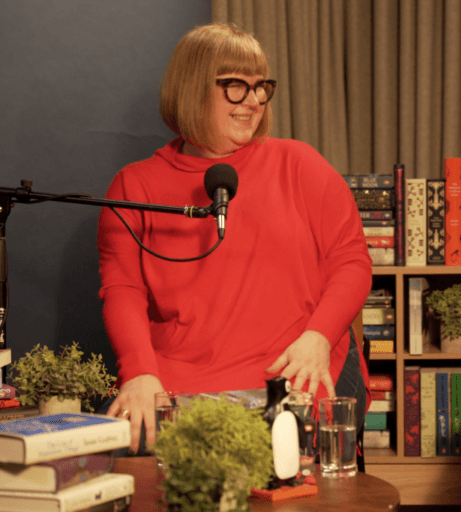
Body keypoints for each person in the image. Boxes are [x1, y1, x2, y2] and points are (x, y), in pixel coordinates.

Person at [97, 23, 372, 455]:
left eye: (262, 87)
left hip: (289, 371)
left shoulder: (300, 164)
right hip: (175, 380)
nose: (255, 101)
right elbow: (123, 290)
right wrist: (138, 374)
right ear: (193, 88)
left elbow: (352, 261)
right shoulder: (133, 186)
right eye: (236, 87)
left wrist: (319, 337)